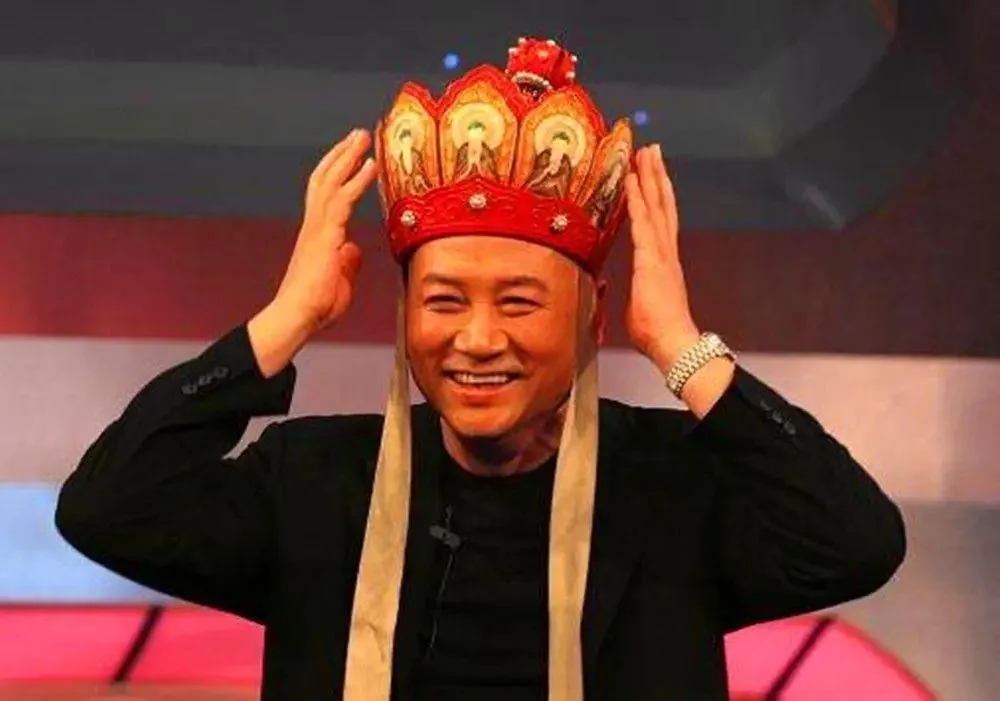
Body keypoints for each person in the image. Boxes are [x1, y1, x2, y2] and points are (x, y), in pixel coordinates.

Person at [55, 37, 906, 701]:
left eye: (520, 302)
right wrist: (285, 321)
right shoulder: (316, 481)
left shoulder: (675, 485)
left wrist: (681, 346)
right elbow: (109, 508)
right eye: (444, 301)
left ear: (593, 319)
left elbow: (855, 541)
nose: (478, 338)